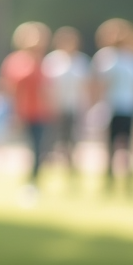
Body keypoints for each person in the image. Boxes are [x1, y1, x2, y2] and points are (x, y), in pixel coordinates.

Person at [92, 19, 133, 193]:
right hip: (113, 108)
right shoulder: (108, 57)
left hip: (127, 107)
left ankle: (128, 182)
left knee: (127, 147)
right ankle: (111, 181)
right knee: (113, 148)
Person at [0, 22, 52, 192]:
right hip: (22, 113)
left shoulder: (43, 62)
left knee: (39, 149)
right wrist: (13, 113)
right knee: (24, 149)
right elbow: (10, 89)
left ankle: (34, 180)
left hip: (40, 113)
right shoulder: (16, 61)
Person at [41, 26, 90, 181]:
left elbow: (87, 86)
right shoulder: (51, 60)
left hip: (74, 107)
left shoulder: (81, 61)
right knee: (52, 140)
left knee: (72, 140)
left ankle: (71, 168)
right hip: (55, 107)